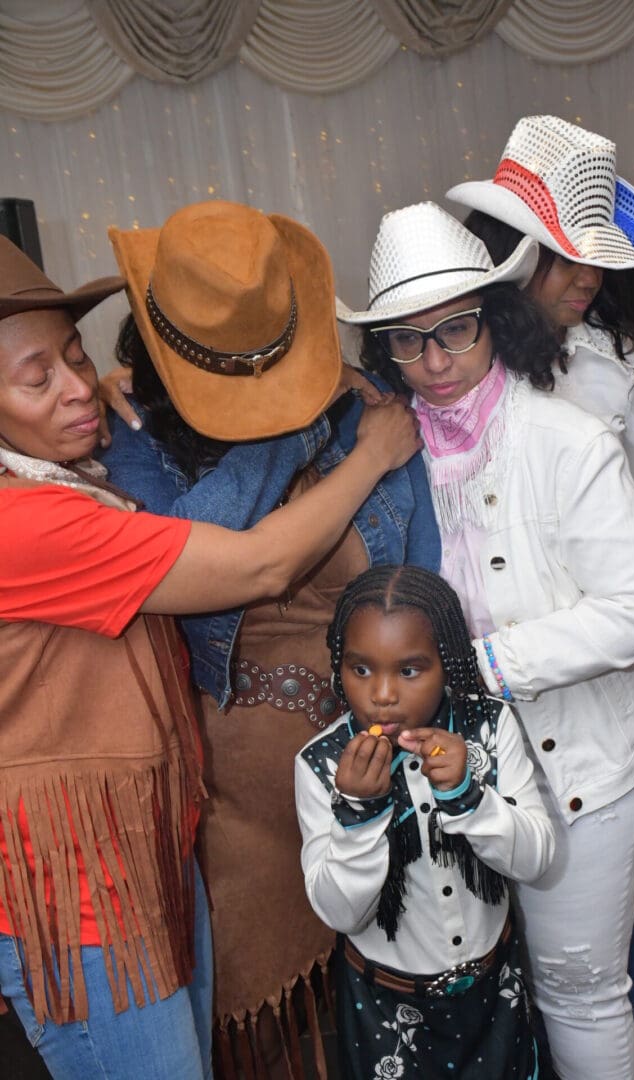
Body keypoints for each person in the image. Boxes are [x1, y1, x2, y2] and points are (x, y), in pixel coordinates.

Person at [0, 235, 421, 1080]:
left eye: (78, 357)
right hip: (82, 900)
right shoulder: (29, 523)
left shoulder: (65, 474)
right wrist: (368, 448)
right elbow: (261, 563)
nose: (79, 387)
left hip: (142, 858)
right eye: (36, 377)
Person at [338, 199, 634, 1080]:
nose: (436, 361)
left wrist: (484, 665)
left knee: (578, 989)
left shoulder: (565, 439)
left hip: (581, 773)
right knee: (490, 988)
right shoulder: (392, 454)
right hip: (451, 777)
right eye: (407, 342)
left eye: (454, 330)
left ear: (496, 320)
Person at [448, 115, 634, 669]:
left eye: (597, 258)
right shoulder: (462, 365)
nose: (590, 278)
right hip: (508, 639)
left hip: (614, 630)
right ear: (516, 253)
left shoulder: (613, 357)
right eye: (567, 256)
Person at [295, 565, 554, 1080]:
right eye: (360, 669)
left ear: (449, 664)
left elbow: (538, 860)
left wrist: (467, 798)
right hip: (386, 1011)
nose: (383, 694)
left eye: (409, 670)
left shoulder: (490, 725)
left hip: (494, 993)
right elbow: (339, 913)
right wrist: (359, 814)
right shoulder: (321, 764)